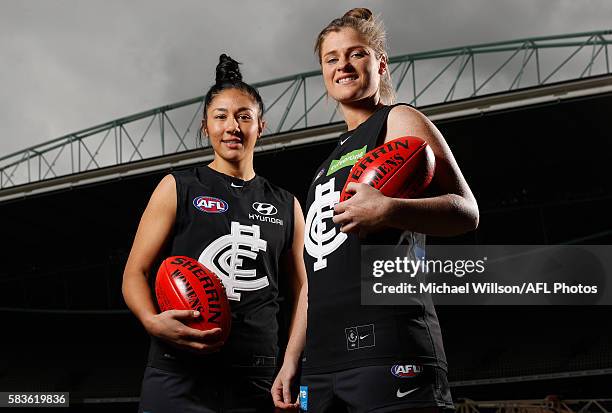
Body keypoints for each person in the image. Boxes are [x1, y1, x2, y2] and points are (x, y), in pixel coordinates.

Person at [298, 8, 479, 413]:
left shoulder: (398, 119)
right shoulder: (324, 167)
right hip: (322, 360)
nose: (343, 65)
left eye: (356, 53)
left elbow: (466, 211)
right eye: (331, 58)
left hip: (388, 342)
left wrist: (389, 209)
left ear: (379, 63)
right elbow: (314, 276)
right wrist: (293, 359)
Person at [122, 54, 306, 412]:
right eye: (220, 116)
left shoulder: (286, 204)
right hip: (179, 371)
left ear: (261, 126)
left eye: (244, 116)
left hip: (256, 376)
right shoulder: (178, 187)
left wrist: (291, 361)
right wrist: (151, 320)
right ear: (206, 126)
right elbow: (134, 273)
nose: (232, 127)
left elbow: (303, 293)